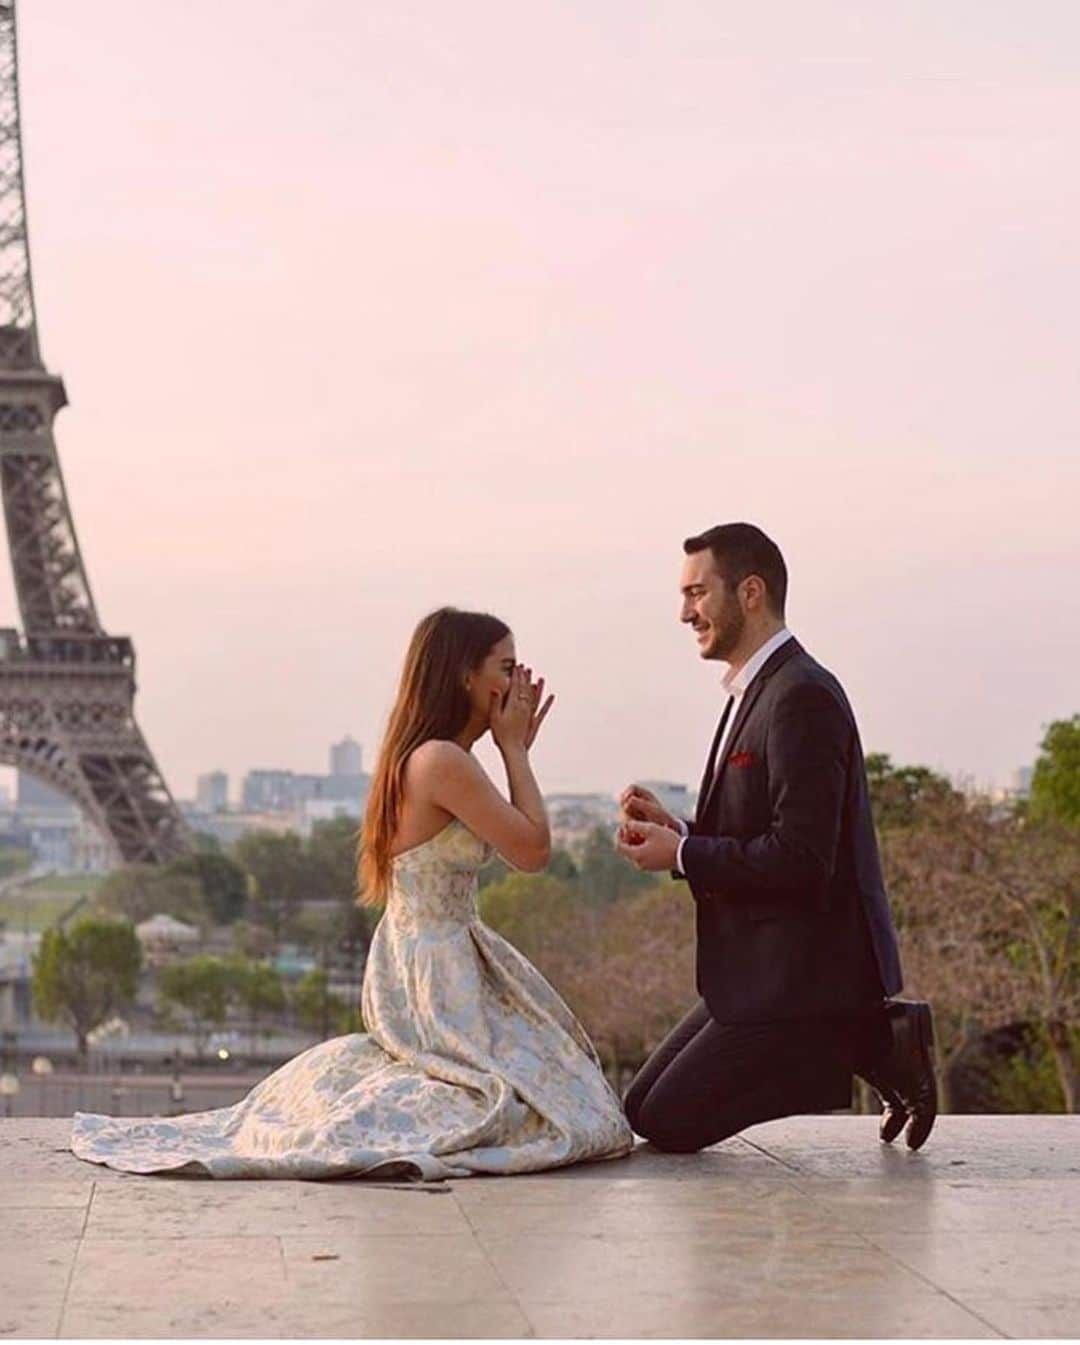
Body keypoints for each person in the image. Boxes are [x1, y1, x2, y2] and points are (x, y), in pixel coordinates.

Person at [71, 607, 632, 1179]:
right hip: (438, 971)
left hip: (426, 958)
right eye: (507, 667)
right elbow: (534, 852)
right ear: (465, 675)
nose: (519, 684)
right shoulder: (442, 761)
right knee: (555, 1106)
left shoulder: (426, 757)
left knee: (553, 1094)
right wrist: (516, 751)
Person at [615, 523, 937, 1154]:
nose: (685, 613)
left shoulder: (801, 695)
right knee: (643, 1107)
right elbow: (760, 829)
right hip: (758, 971)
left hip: (804, 976)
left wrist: (681, 855)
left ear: (751, 592)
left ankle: (862, 1039)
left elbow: (802, 859)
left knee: (671, 1123)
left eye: (698, 593)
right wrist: (677, 831)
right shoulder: (755, 691)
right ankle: (867, 1041)